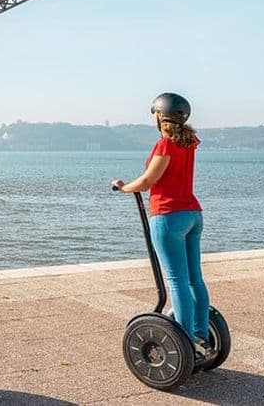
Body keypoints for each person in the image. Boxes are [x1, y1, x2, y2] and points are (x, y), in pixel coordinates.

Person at [111, 93, 213, 357]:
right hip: (192, 214)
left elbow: (148, 180)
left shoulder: (165, 145)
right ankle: (201, 336)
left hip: (168, 216)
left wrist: (123, 188)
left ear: (159, 116)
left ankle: (186, 341)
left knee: (177, 281)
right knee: (194, 279)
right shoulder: (189, 142)